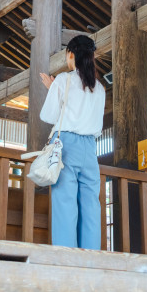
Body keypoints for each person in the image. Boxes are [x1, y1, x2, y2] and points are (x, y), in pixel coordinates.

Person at [39, 35, 106, 249]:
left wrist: (53, 92)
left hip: (66, 146)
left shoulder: (63, 80)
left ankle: (66, 257)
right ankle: (90, 257)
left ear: (71, 54)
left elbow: (49, 116)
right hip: (90, 149)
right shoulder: (101, 88)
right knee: (90, 207)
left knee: (65, 203)